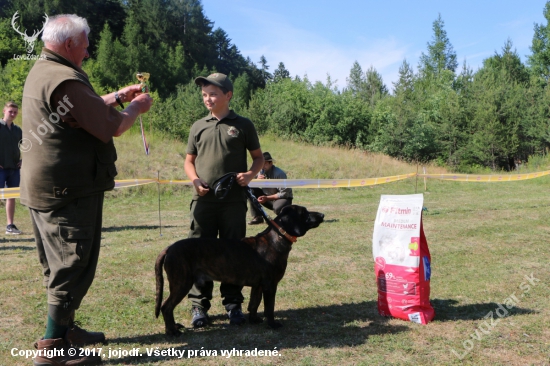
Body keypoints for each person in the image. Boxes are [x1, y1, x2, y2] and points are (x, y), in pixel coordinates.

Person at [20, 14, 153, 366]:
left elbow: (74, 111)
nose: (89, 50)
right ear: (68, 45)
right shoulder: (66, 79)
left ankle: (66, 330)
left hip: (47, 187)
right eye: (85, 43)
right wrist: (135, 107)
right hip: (68, 190)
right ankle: (53, 348)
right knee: (71, 263)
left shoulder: (45, 69)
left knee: (58, 262)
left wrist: (115, 96)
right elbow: (111, 128)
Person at [184, 72, 264, 328]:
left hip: (233, 202)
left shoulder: (243, 125)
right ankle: (198, 306)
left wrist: (250, 174)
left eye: (213, 94)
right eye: (205, 94)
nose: (208, 99)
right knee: (200, 252)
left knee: (233, 252)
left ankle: (233, 306)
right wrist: (195, 181)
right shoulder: (198, 126)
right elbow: (189, 162)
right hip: (204, 203)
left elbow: (259, 158)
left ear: (228, 95)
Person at [248, 152, 293, 225]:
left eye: (265, 163)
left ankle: (284, 218)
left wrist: (267, 198)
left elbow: (284, 194)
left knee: (277, 207)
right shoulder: (259, 172)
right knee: (250, 190)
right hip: (267, 198)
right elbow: (248, 182)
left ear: (270, 163)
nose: (263, 166)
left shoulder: (279, 173)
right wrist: (256, 181)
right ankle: (258, 217)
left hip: (282, 199)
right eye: (261, 164)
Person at [0, 101, 23, 235]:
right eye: (10, 111)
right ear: (4, 111)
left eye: (15, 112)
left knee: (11, 196)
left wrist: (23, 160)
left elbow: (27, 145)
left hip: (14, 169)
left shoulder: (18, 130)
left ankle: (10, 225)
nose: (13, 114)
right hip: (1, 168)